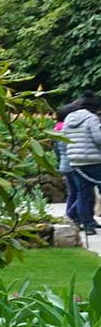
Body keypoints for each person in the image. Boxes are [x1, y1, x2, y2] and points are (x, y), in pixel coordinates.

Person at [62, 95, 101, 235]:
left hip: (75, 162)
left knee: (84, 194)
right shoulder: (92, 118)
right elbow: (98, 139)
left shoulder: (69, 118)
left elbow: (64, 137)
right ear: (95, 108)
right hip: (94, 161)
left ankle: (88, 225)